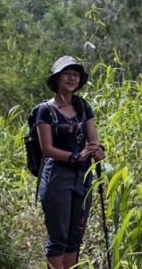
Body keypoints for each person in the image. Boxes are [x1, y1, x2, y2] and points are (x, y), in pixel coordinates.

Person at [36, 56, 105, 269]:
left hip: (82, 176)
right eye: (67, 73)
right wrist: (75, 156)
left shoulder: (83, 107)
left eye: (76, 74)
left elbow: (94, 140)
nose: (72, 78)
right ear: (57, 78)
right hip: (57, 176)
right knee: (58, 237)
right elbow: (46, 149)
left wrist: (97, 151)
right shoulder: (45, 110)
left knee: (75, 235)